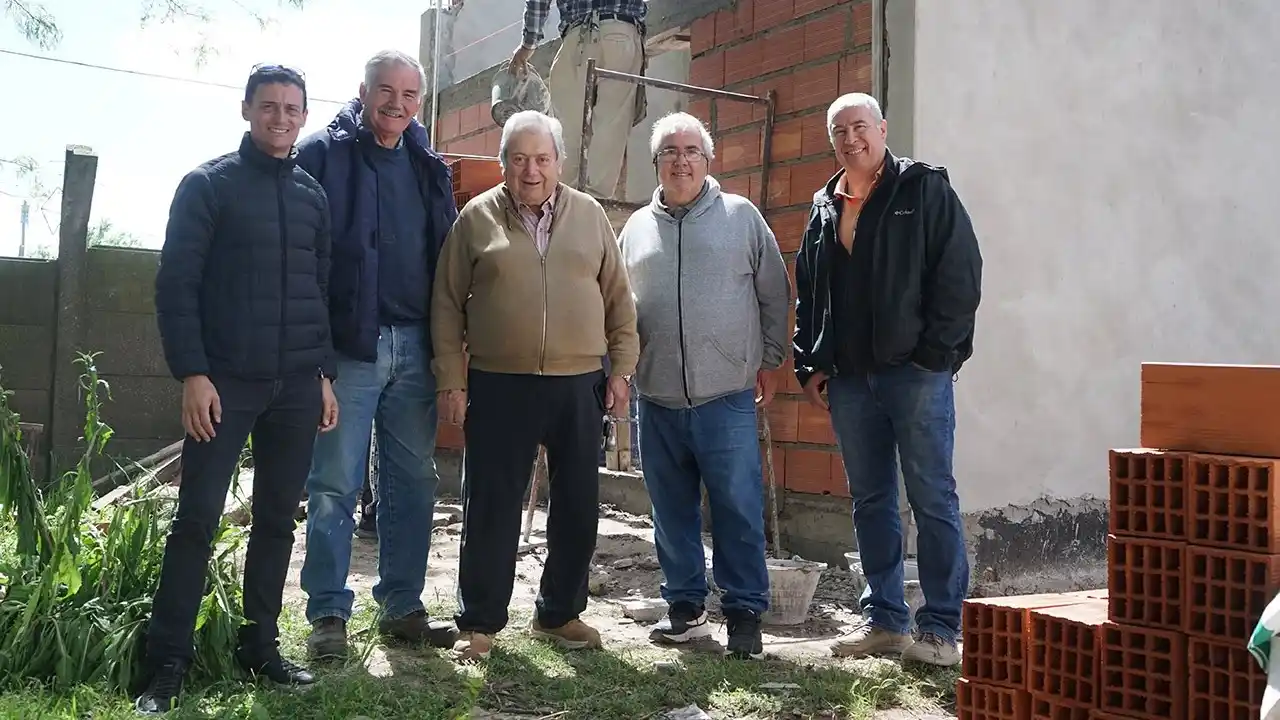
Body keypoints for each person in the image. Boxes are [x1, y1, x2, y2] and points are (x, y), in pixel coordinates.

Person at [137, 63, 338, 715]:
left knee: (278, 521)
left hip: (297, 388)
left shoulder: (312, 195)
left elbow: (319, 290)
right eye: (269, 106)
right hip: (224, 385)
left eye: (292, 108)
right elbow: (176, 286)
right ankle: (166, 663)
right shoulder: (208, 186)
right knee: (195, 520)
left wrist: (324, 375)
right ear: (247, 110)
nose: (281, 118)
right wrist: (193, 373)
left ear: (304, 116)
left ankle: (260, 648)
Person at [432, 110, 639, 663]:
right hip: (499, 382)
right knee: (492, 504)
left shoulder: (590, 215)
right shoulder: (476, 218)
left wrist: (620, 368)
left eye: (541, 159)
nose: (531, 171)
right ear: (503, 164)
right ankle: (479, 621)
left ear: (559, 162)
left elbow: (619, 298)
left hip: (579, 382)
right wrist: (452, 378)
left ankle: (559, 614)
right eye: (519, 159)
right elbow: (447, 305)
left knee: (577, 503)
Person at [792, 93, 982, 666]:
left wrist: (934, 357)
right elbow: (810, 291)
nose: (851, 139)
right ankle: (885, 622)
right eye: (839, 131)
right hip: (851, 382)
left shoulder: (922, 190)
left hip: (915, 376)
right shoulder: (825, 205)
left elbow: (961, 275)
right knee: (871, 500)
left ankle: (941, 628)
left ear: (881, 128)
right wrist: (811, 362)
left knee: (931, 496)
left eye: (859, 127)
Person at [295, 49, 459, 659]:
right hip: (350, 348)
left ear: (419, 102)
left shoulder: (427, 165)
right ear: (362, 92)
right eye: (384, 91)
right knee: (335, 481)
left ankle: (401, 606)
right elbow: (303, 264)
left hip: (418, 344)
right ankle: (328, 615)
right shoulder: (321, 155)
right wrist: (314, 358)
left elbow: (445, 257)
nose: (396, 103)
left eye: (408, 95)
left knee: (413, 481)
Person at [618, 112, 790, 660]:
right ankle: (686, 611)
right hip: (657, 398)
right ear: (657, 163)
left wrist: (769, 358)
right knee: (670, 512)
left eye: (691, 149)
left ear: (708, 159)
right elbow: (620, 310)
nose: (681, 159)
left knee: (738, 507)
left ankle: (744, 616)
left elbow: (774, 293)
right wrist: (621, 372)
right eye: (669, 151)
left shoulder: (741, 217)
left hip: (726, 396)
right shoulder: (635, 229)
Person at [510, 0, 647, 198]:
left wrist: (528, 44)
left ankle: (566, 201)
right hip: (620, 32)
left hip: (576, 39)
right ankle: (594, 198)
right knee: (611, 122)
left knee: (568, 129)